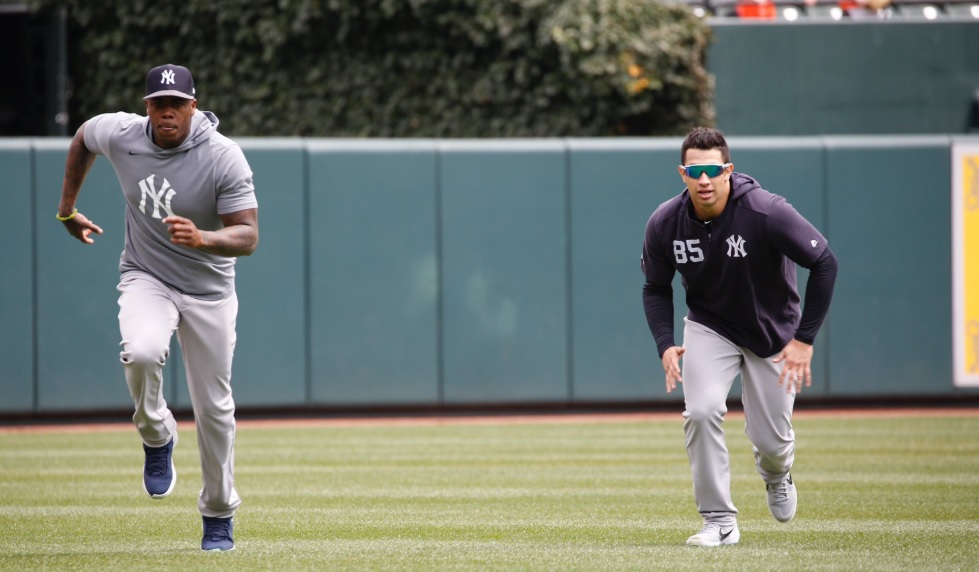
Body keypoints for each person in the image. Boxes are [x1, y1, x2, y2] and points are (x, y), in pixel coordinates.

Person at [56, 63, 259, 552]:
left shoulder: (223, 156)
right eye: (158, 104)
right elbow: (84, 136)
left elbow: (248, 236)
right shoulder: (123, 133)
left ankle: (217, 514)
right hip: (147, 274)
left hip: (209, 290)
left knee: (214, 410)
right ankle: (156, 432)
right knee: (142, 351)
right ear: (146, 106)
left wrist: (205, 236)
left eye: (176, 104)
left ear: (193, 106)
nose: (167, 112)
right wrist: (67, 209)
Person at [640, 127, 837, 547]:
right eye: (696, 171)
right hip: (711, 325)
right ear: (683, 174)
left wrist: (804, 339)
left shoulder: (767, 212)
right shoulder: (665, 222)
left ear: (729, 170)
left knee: (771, 442)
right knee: (701, 411)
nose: (705, 180)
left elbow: (824, 262)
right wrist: (664, 343)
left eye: (714, 169)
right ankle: (719, 521)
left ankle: (778, 474)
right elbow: (656, 287)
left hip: (773, 332)